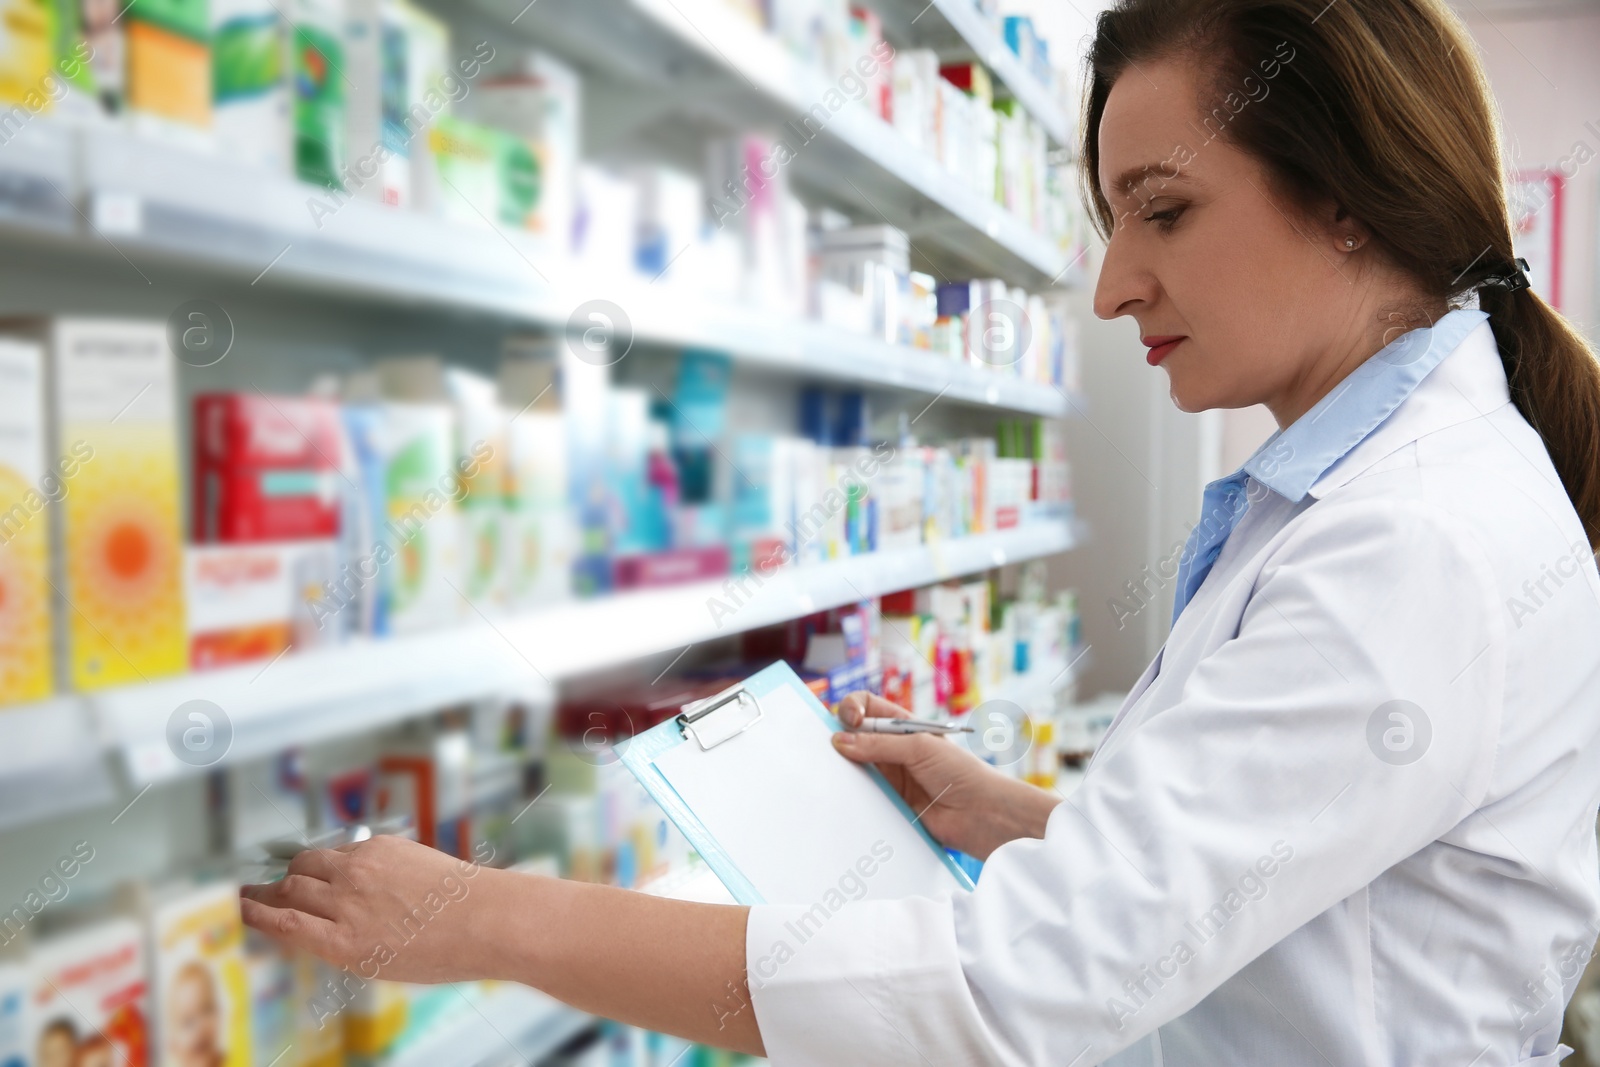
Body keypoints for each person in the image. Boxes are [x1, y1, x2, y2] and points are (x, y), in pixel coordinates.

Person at [240, 0, 1600, 1062]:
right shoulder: (1372, 489)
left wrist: (485, 918)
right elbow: (1305, 861)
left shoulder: (1412, 537)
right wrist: (1018, 818)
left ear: (1348, 197)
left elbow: (1007, 996)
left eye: (1164, 212)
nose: (1119, 286)